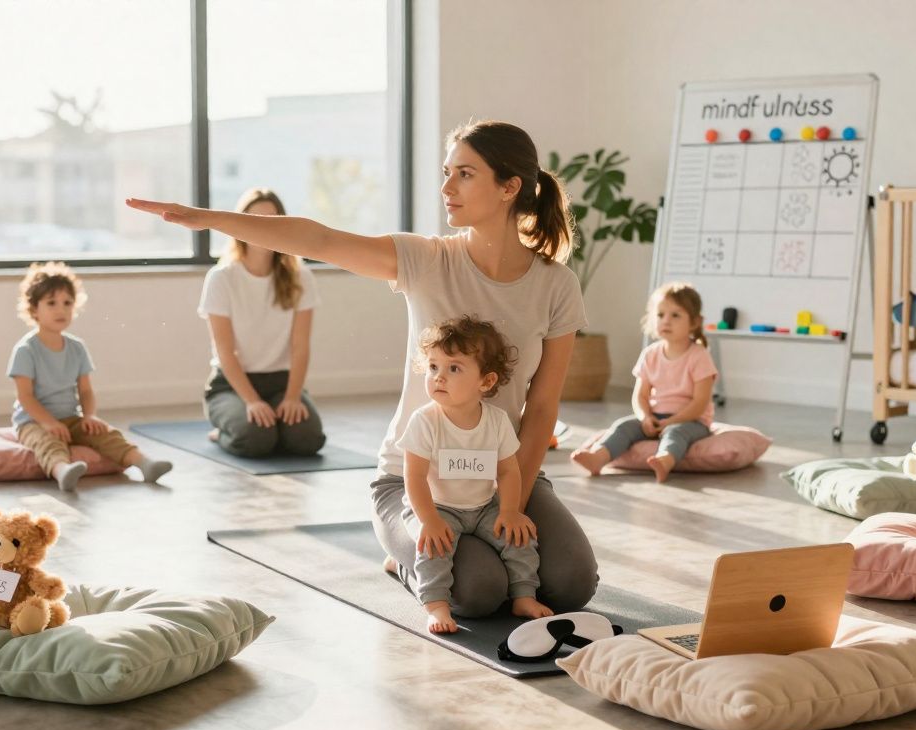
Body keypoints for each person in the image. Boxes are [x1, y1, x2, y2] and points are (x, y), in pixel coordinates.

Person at [128, 119, 598, 616]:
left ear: (509, 187)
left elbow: (543, 405)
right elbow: (321, 240)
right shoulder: (426, 260)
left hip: (499, 474)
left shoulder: (556, 284)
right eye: (446, 172)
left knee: (570, 583)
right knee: (480, 591)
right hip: (414, 480)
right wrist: (211, 219)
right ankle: (403, 555)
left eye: (464, 174)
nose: (446, 188)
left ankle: (443, 551)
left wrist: (513, 501)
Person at [399, 315, 551, 633]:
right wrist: (429, 519)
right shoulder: (425, 421)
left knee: (520, 538)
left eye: (453, 368)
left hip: (483, 506)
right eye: (433, 367)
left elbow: (508, 471)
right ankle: (436, 606)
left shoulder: (495, 421)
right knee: (435, 548)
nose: (439, 377)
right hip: (438, 506)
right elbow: (413, 478)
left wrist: (509, 511)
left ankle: (524, 595)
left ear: (486, 382)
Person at [8, 262, 173, 492]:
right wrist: (49, 422)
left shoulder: (77, 348)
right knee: (47, 442)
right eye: (51, 303)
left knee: (106, 433)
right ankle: (62, 470)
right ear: (34, 309)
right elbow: (25, 397)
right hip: (34, 421)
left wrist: (89, 416)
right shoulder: (26, 350)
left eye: (67, 303)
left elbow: (85, 390)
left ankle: (144, 463)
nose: (61, 310)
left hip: (70, 417)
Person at [197, 188, 326, 458]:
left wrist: (292, 397)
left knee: (308, 440)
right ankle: (222, 431)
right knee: (256, 440)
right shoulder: (221, 278)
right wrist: (252, 401)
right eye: (254, 221)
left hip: (281, 383)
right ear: (240, 225)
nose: (262, 230)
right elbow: (225, 351)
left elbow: (300, 347)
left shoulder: (301, 278)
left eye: (271, 221)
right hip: (231, 386)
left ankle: (275, 426)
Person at [570, 282, 717, 482]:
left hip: (691, 421)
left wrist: (671, 421)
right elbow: (640, 395)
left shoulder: (699, 356)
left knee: (675, 433)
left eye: (675, 315)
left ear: (694, 322)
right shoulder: (650, 354)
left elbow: (700, 403)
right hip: (655, 417)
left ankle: (664, 460)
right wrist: (645, 417)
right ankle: (598, 458)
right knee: (623, 426)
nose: (666, 321)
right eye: (660, 314)